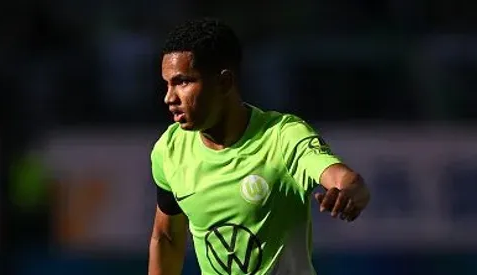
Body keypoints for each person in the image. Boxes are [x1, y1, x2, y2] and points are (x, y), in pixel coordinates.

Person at [149, 18, 370, 275]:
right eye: (167, 84)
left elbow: (348, 181)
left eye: (183, 82)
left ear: (224, 82)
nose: (169, 97)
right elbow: (167, 236)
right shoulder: (169, 149)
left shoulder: (283, 136)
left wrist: (349, 193)